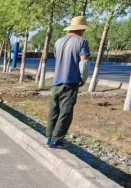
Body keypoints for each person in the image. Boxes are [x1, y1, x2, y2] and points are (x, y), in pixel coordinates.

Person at [46, 15, 91, 149]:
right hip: (70, 81)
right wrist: (82, 79)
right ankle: (56, 140)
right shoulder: (82, 41)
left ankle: (49, 136)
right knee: (65, 112)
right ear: (81, 28)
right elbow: (83, 63)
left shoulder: (58, 41)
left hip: (57, 81)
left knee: (54, 109)